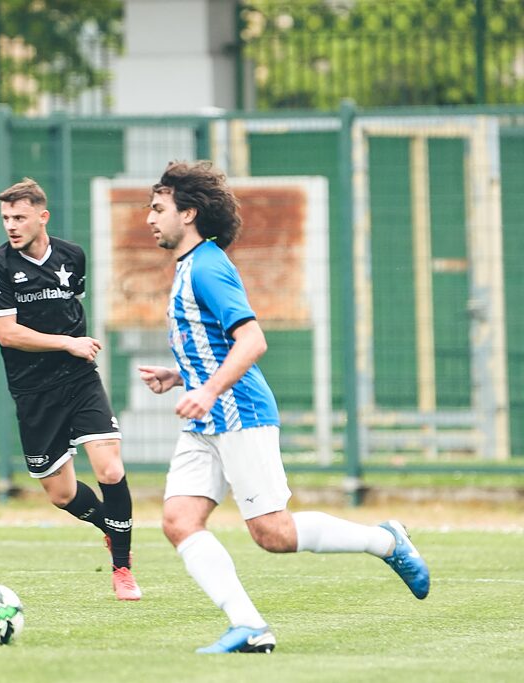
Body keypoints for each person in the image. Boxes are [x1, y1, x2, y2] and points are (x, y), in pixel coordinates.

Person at [137, 161, 430, 653]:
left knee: (273, 533)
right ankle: (248, 626)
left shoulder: (208, 266)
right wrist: (181, 376)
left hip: (239, 412)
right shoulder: (190, 265)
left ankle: (386, 541)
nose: (149, 218)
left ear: (188, 214)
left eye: (158, 208)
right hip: (207, 420)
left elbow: (252, 341)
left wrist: (207, 391)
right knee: (179, 521)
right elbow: (212, 345)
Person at [0, 177, 141, 601]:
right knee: (62, 493)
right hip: (33, 391)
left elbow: (71, 303)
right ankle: (109, 526)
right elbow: (8, 334)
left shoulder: (72, 256)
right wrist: (67, 342)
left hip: (79, 378)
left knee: (110, 468)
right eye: (6, 218)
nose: (11, 225)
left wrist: (74, 349)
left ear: (42, 216)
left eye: (19, 217)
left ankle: (122, 567)